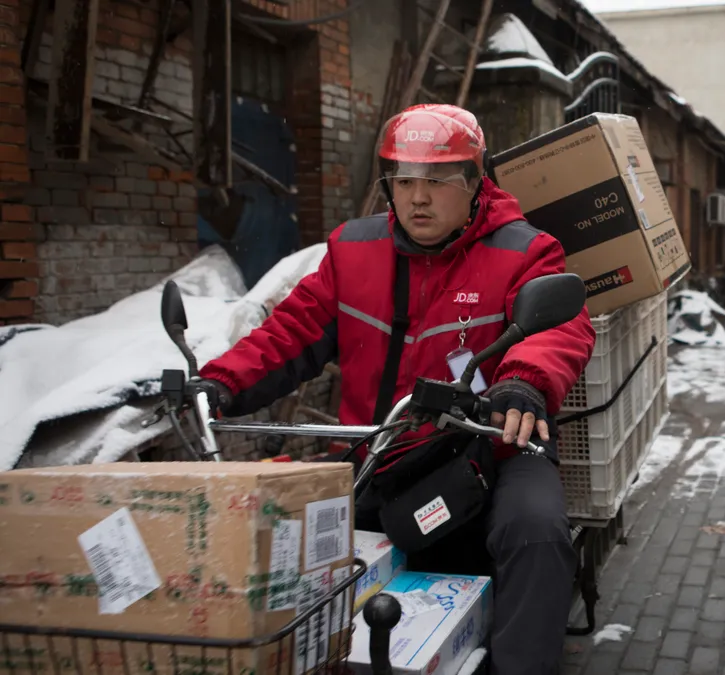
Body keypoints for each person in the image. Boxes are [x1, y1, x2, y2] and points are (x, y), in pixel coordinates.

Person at [193, 103, 596, 675]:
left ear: (476, 182)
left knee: (536, 531)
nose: (418, 198)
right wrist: (220, 381)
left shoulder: (524, 250)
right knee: (282, 549)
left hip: (490, 444)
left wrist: (523, 383)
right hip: (376, 449)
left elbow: (559, 326)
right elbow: (294, 330)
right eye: (404, 181)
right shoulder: (352, 251)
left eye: (437, 181)